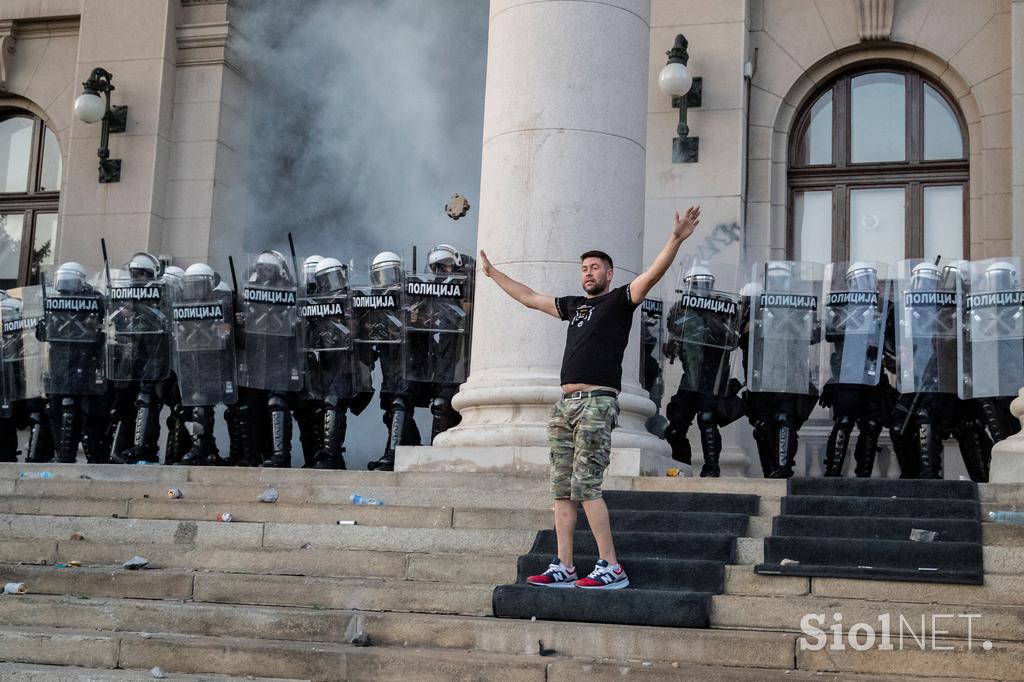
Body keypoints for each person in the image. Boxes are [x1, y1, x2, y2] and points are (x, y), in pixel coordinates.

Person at [481, 206, 700, 590]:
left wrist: (676, 238)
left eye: (595, 267)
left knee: (586, 486)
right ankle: (564, 565)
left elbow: (652, 274)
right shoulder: (574, 306)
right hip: (565, 404)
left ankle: (610, 566)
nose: (588, 272)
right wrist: (493, 273)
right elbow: (530, 297)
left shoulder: (619, 301)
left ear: (609, 274)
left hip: (597, 402)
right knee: (561, 489)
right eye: (584, 267)